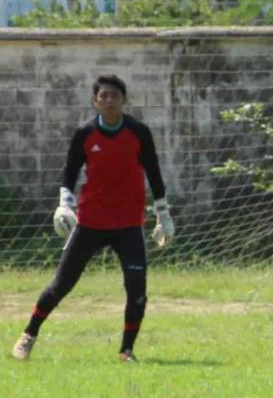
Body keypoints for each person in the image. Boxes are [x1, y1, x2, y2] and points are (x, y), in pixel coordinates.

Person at [11, 74, 174, 363]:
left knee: (137, 288)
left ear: (124, 100)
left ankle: (126, 351)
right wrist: (64, 205)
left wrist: (164, 214)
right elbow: (70, 172)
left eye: (114, 95)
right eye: (103, 96)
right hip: (90, 223)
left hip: (128, 224)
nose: (109, 100)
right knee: (61, 285)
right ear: (95, 101)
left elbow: (154, 173)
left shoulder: (139, 132)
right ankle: (28, 335)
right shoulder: (85, 134)